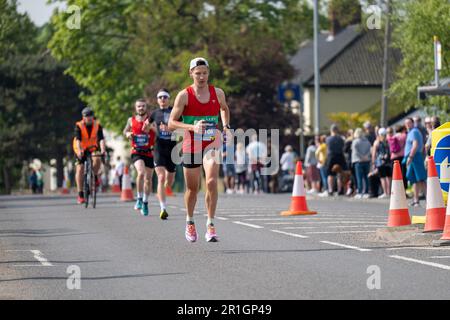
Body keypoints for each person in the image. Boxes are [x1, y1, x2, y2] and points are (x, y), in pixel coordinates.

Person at [168, 57, 231, 243]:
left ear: (208, 73)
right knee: (192, 188)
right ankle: (190, 221)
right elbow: (171, 123)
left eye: (204, 73)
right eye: (198, 74)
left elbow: (224, 109)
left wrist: (226, 126)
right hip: (191, 143)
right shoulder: (184, 95)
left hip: (211, 142)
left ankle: (210, 225)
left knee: (211, 181)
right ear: (191, 74)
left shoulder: (217, 93)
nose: (202, 77)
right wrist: (192, 127)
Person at [123, 99, 156, 216]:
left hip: (149, 152)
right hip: (136, 151)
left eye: (143, 106)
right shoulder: (131, 120)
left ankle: (145, 202)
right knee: (141, 173)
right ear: (135, 108)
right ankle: (139, 198)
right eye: (139, 106)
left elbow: (158, 132)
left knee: (148, 179)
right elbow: (125, 131)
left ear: (146, 107)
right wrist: (128, 134)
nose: (141, 108)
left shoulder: (151, 120)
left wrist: (151, 127)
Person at [150, 89, 178, 219]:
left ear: (169, 99)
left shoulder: (175, 111)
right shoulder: (154, 114)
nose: (162, 99)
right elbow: (146, 126)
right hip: (159, 147)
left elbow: (183, 129)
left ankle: (163, 191)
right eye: (160, 97)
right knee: (160, 177)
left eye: (165, 97)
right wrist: (148, 128)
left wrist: (170, 129)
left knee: (169, 181)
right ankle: (163, 208)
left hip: (172, 148)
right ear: (157, 100)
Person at [73, 107, 106, 204]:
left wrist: (103, 150)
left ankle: (94, 176)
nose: (89, 119)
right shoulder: (78, 126)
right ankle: (80, 194)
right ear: (83, 118)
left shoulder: (97, 125)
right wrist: (79, 151)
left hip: (92, 147)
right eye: (86, 117)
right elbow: (78, 140)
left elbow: (101, 139)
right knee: (80, 169)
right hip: (80, 148)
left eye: (90, 116)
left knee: (97, 158)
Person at [403, 117, 426, 207]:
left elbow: (415, 145)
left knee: (421, 179)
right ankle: (416, 200)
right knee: (414, 180)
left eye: (409, 123)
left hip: (415, 157)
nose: (407, 125)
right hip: (413, 157)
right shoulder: (410, 132)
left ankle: (429, 199)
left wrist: (411, 156)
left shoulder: (414, 132)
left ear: (413, 123)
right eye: (406, 123)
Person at [324, 124, 346, 196]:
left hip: (331, 156)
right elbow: (343, 147)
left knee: (330, 174)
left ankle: (330, 190)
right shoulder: (341, 139)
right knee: (339, 173)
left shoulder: (328, 139)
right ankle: (340, 190)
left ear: (331, 130)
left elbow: (327, 148)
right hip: (340, 156)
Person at [372, 128, 392, 199]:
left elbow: (374, 153)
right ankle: (389, 193)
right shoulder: (387, 141)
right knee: (389, 177)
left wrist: (373, 162)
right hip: (388, 162)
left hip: (380, 162)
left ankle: (385, 192)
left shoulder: (377, 142)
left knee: (383, 178)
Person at [222, 129, 236, 194]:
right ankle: (227, 189)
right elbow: (221, 155)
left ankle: (232, 189)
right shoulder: (224, 146)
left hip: (232, 162)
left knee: (233, 175)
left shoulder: (233, 146)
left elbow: (235, 155)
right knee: (226, 175)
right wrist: (226, 153)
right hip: (225, 162)